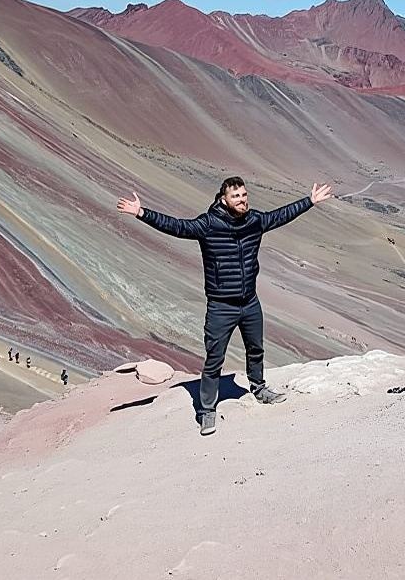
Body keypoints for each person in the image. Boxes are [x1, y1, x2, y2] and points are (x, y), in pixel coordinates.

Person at [119, 176, 331, 435]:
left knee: (256, 348)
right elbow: (176, 227)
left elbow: (282, 215)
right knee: (214, 359)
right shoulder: (208, 224)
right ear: (224, 199)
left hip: (250, 301)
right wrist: (141, 212)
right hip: (221, 306)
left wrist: (309, 201)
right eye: (236, 196)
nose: (242, 200)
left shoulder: (255, 221)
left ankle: (259, 388)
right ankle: (207, 410)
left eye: (244, 195)